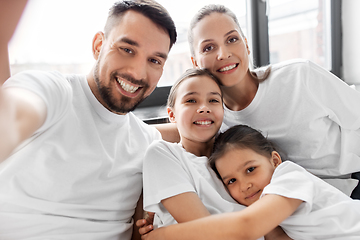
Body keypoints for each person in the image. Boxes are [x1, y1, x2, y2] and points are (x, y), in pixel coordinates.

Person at [0, 1, 176, 239]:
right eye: (127, 49)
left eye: (154, 61)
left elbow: (191, 130)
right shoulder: (55, 92)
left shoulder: (147, 141)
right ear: (98, 45)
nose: (137, 73)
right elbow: (16, 115)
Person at [159, 3, 360, 198]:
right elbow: (170, 132)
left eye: (232, 39)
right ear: (195, 62)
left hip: (353, 180)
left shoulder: (300, 76)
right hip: (303, 202)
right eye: (209, 47)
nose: (224, 54)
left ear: (246, 44)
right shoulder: (213, 117)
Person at [142, 68, 291, 240]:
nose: (204, 108)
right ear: (172, 114)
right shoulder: (163, 153)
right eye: (191, 100)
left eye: (213, 100)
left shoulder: (238, 153)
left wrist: (163, 235)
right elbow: (205, 233)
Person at [142, 124, 360, 240]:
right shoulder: (271, 215)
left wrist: (162, 236)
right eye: (231, 181)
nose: (244, 185)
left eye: (250, 169)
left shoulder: (290, 176)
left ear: (274, 160)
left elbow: (247, 227)